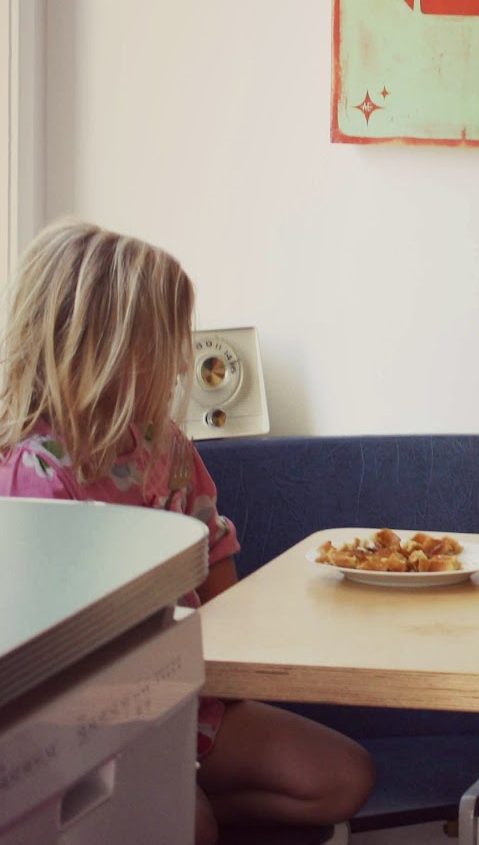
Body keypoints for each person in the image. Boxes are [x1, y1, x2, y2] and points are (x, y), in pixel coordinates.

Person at [0, 220, 374, 845]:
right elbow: (58, 659)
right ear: (104, 347)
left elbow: (216, 564)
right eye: (164, 343)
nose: (180, 363)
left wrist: (241, 660)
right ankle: (182, 805)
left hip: (189, 697)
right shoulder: (33, 473)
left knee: (343, 779)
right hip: (97, 721)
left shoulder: (164, 443)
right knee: (187, 825)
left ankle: (187, 796)